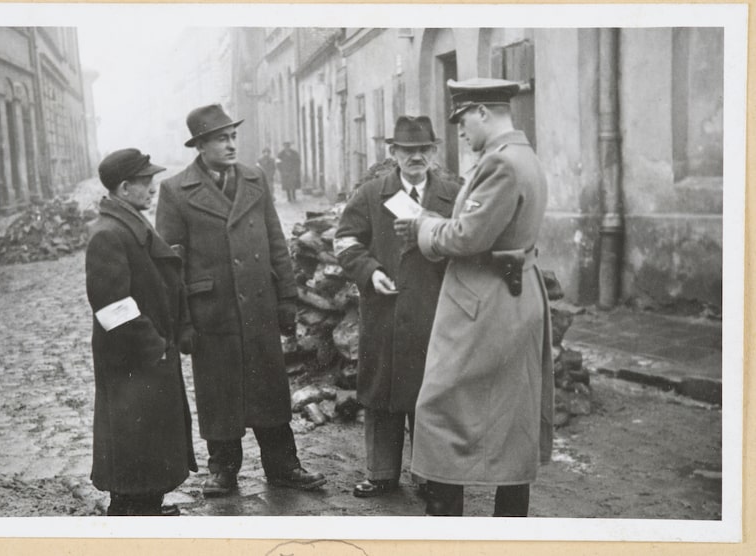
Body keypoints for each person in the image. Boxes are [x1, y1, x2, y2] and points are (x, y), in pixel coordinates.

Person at [394, 78, 554, 517]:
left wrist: (423, 229)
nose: (461, 131)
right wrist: (436, 219)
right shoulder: (522, 157)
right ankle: (507, 527)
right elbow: (486, 225)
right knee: (509, 419)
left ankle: (446, 529)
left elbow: (468, 236)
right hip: (512, 296)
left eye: (463, 120)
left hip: (483, 304)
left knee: (440, 411)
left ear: (483, 111)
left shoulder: (500, 164)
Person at [156, 104, 326, 497]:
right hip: (211, 310)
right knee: (219, 392)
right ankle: (223, 470)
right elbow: (170, 264)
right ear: (200, 145)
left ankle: (284, 465)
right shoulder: (176, 190)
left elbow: (275, 240)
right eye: (221, 138)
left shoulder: (255, 177)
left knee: (269, 387)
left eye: (233, 136)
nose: (231, 144)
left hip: (258, 306)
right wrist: (180, 322)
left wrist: (286, 297)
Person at [334, 116, 459, 499]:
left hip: (435, 310)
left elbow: (468, 243)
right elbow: (345, 241)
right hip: (385, 310)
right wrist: (370, 273)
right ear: (393, 153)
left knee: (431, 394)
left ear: (434, 152)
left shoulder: (454, 195)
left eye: (424, 150)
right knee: (382, 393)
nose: (416, 157)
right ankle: (381, 472)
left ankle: (428, 473)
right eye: (408, 150)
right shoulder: (373, 194)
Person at [85, 148, 197, 516]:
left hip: (148, 355)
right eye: (145, 182)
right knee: (133, 446)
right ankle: (130, 512)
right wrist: (155, 346)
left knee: (148, 440)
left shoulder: (131, 221)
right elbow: (112, 307)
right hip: (132, 357)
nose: (152, 187)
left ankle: (148, 503)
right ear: (123, 187)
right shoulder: (109, 233)